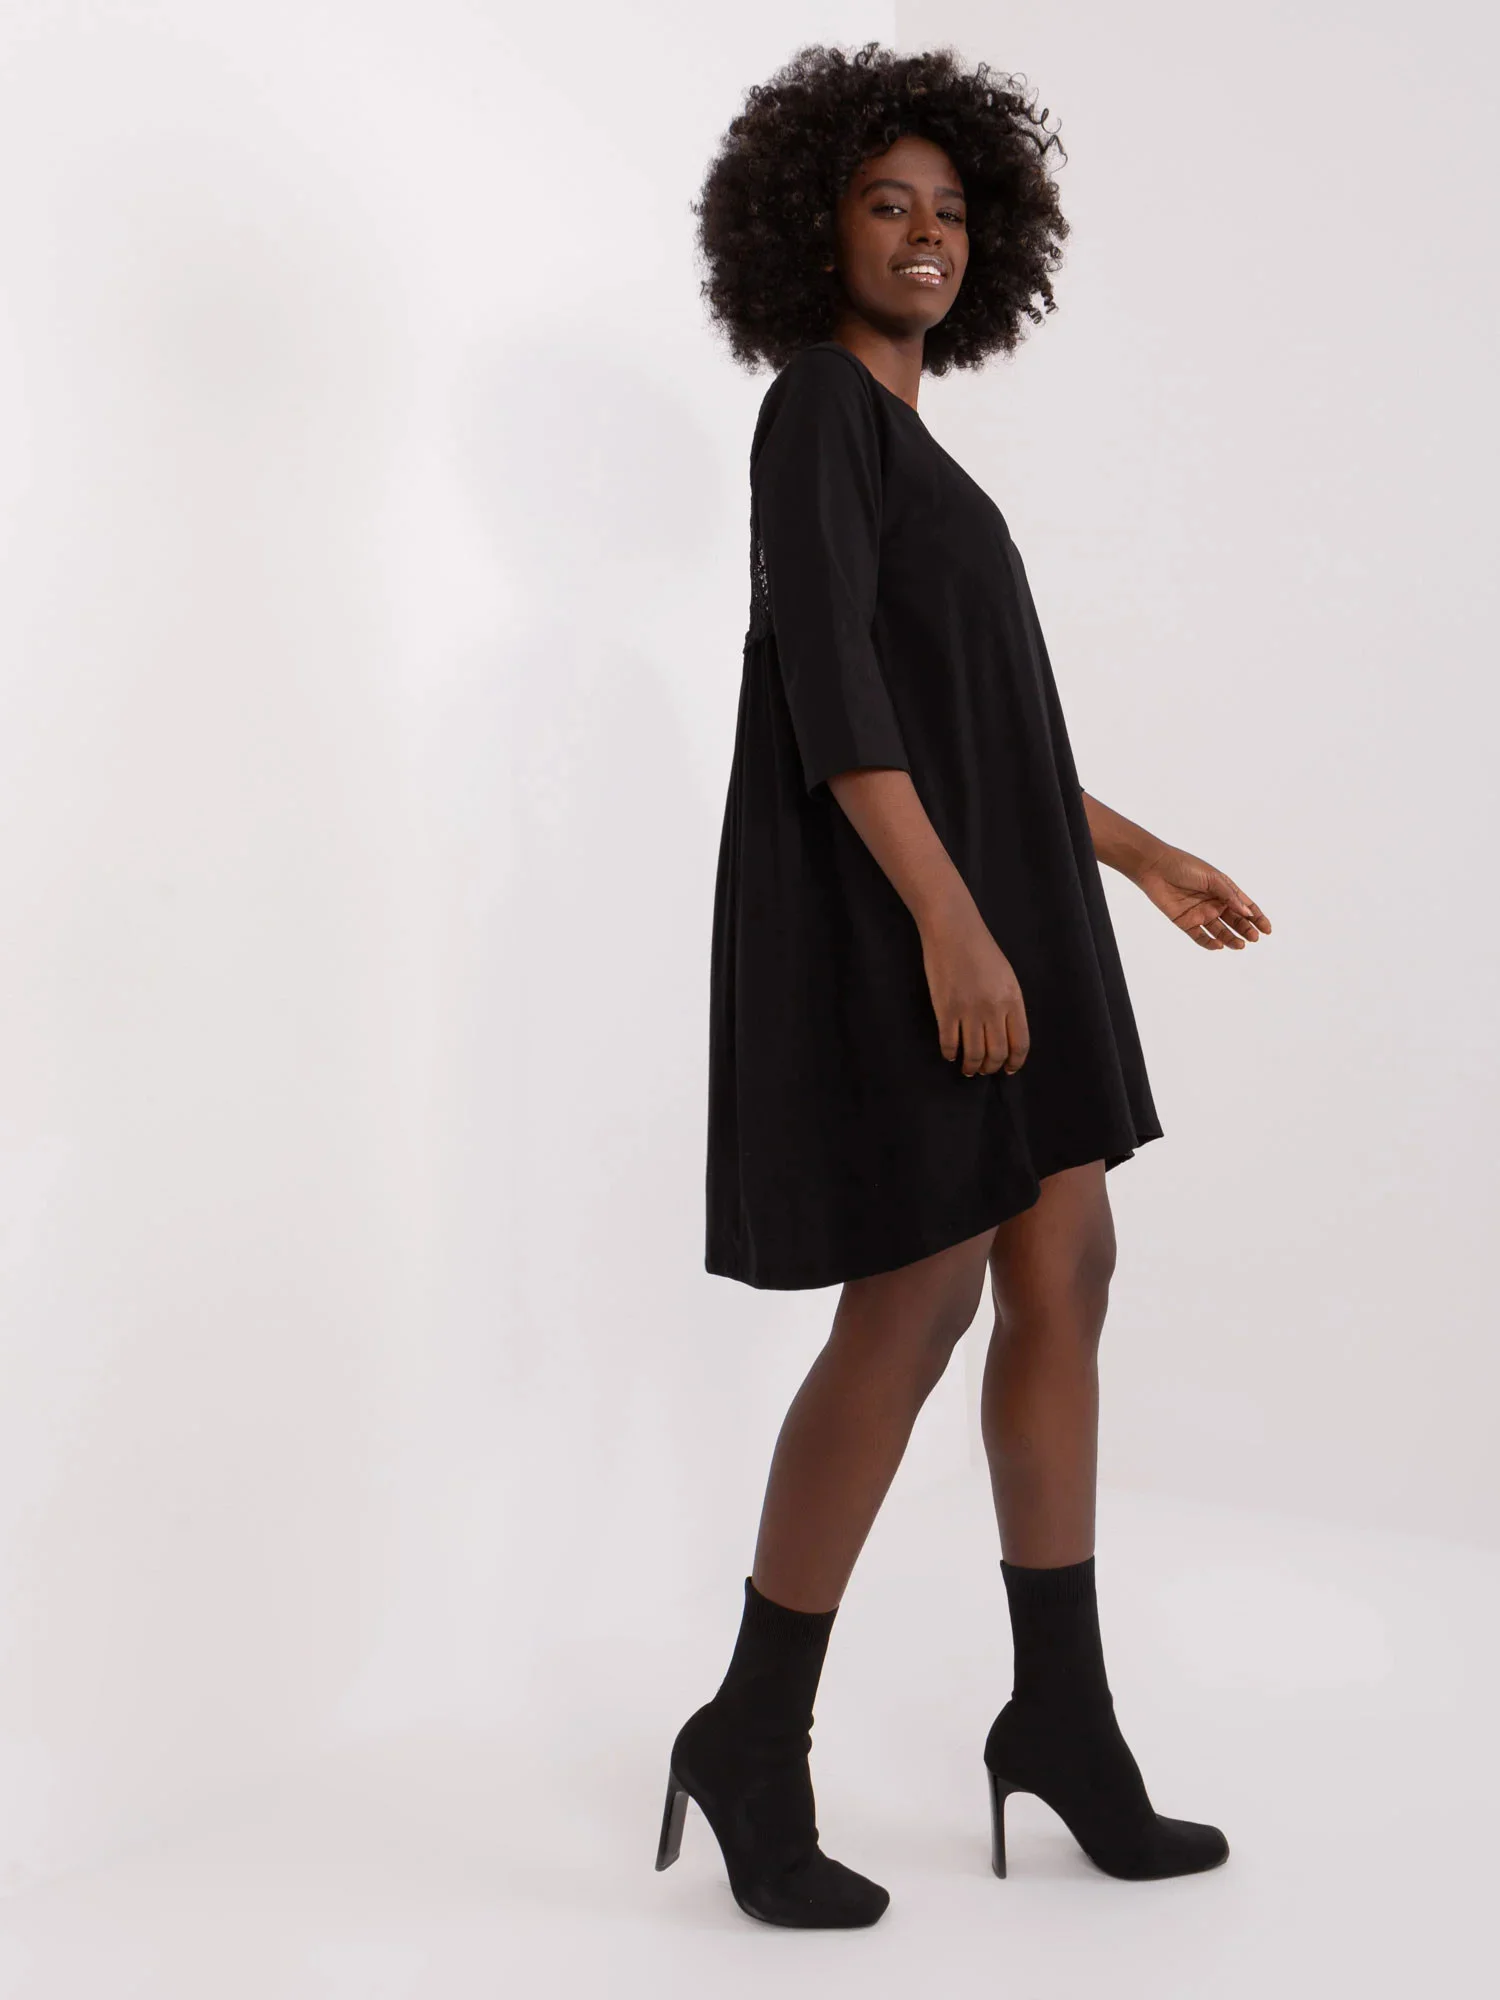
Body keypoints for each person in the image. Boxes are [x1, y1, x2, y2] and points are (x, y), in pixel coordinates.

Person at [655, 43, 1271, 1929]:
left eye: (948, 209)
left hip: (1010, 907)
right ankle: (752, 1732)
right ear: (811, 230)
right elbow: (836, 702)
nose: (924, 234)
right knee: (915, 1301)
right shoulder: (818, 410)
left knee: (1066, 1268)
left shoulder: (917, 447)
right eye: (884, 204)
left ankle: (1061, 1720)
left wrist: (1135, 853)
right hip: (918, 926)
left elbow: (986, 738)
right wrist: (949, 921)